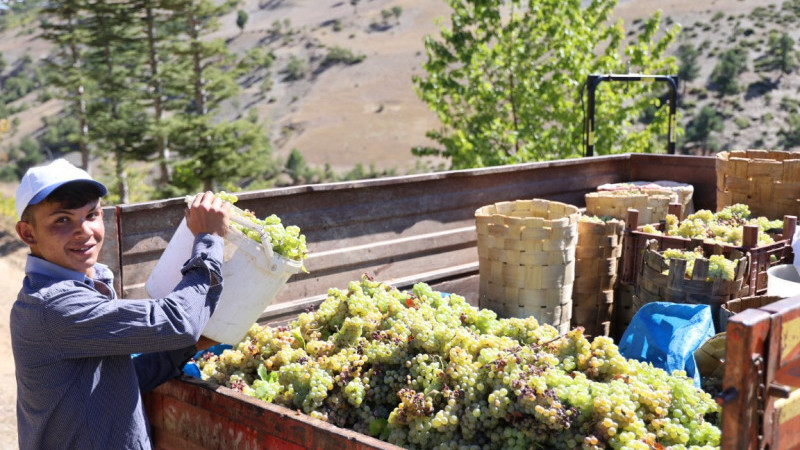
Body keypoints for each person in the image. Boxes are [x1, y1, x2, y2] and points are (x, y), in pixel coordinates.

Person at [10, 158, 231, 449]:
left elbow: (119, 382)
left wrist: (190, 346)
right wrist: (209, 238)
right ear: (28, 233)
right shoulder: (52, 306)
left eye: (91, 215)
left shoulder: (88, 283)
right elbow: (179, 323)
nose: (84, 231)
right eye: (62, 220)